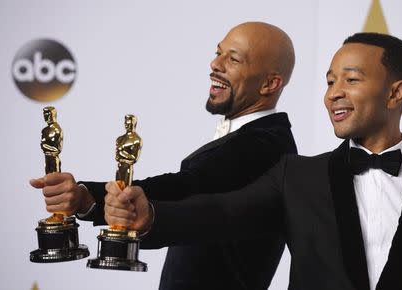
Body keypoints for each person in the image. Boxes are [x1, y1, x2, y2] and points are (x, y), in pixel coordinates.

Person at [104, 32, 402, 290]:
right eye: (330, 81)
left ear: (395, 92)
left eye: (352, 79)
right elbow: (221, 213)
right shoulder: (297, 176)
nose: (334, 92)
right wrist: (149, 216)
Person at [30, 22, 297, 290]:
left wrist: (91, 199)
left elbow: (185, 187)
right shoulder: (256, 138)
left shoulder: (264, 146)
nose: (216, 63)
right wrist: (88, 199)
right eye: (218, 52)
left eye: (234, 58)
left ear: (269, 84)